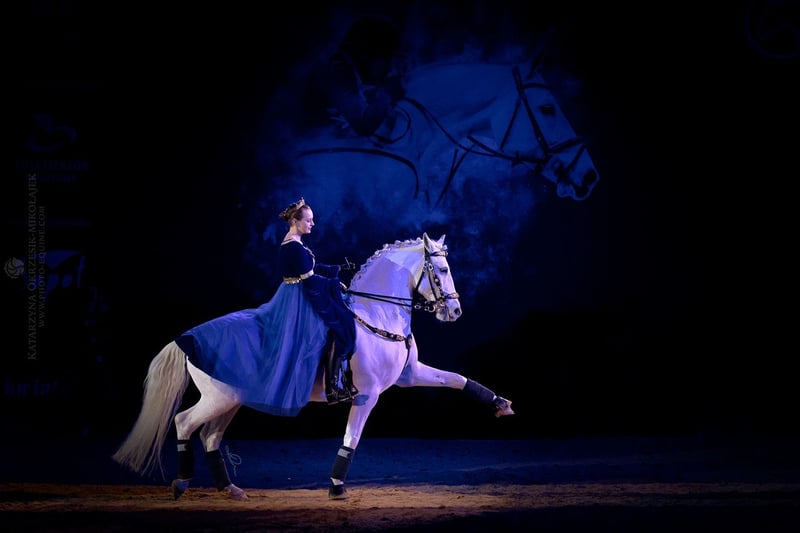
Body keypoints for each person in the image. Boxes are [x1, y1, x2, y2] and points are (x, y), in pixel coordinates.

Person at [175, 197, 358, 416]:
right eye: (308, 220)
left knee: (337, 323)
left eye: (312, 220)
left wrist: (335, 270)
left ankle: (335, 383)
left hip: (297, 292)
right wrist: (333, 284)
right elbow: (309, 280)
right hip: (298, 300)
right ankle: (334, 387)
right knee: (339, 326)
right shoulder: (293, 246)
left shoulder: (295, 242)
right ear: (296, 222)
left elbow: (308, 269)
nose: (313, 224)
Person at [309, 16, 407, 140]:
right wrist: (387, 92)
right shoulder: (335, 72)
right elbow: (363, 126)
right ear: (364, 56)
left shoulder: (348, 72)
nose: (388, 68)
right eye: (385, 58)